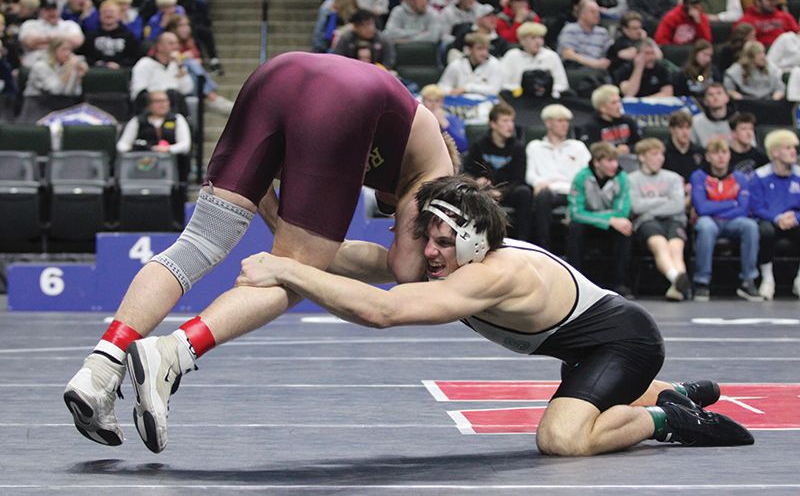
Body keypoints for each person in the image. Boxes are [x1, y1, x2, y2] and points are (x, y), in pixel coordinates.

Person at [63, 52, 458, 451]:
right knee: (295, 275)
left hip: (275, 75)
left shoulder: (383, 139)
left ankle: (99, 369)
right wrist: (297, 263)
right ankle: (171, 353)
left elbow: (273, 172)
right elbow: (407, 269)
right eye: (393, 210)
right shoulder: (436, 174)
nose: (393, 213)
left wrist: (287, 241)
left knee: (200, 241)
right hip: (343, 97)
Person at [233, 175, 755, 456]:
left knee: (561, 440)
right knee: (582, 394)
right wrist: (277, 220)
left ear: (471, 243)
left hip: (625, 344)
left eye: (441, 243)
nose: (429, 254)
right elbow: (360, 260)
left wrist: (287, 271)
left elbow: (384, 310)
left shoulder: (490, 274)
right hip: (586, 350)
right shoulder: (462, 258)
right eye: (426, 240)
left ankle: (667, 417)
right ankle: (677, 390)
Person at [690, 138, 762, 302]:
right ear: (708, 157)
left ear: (729, 155)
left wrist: (716, 207)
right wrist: (731, 203)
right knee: (706, 227)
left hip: (733, 222)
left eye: (724, 152)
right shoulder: (699, 176)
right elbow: (701, 208)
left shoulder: (739, 178)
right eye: (715, 153)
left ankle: (748, 281)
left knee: (750, 226)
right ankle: (702, 282)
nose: (720, 157)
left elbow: (743, 209)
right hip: (709, 221)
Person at [628, 138, 691, 301]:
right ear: (642, 157)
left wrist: (650, 208)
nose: (660, 158)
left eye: (661, 154)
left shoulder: (673, 178)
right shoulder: (632, 179)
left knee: (676, 249)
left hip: (674, 219)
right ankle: (677, 279)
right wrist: (664, 200)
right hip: (647, 222)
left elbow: (678, 205)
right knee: (660, 245)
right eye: (654, 154)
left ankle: (676, 284)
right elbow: (636, 206)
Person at [567, 141, 634, 297]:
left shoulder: (622, 177)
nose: (614, 165)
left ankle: (620, 283)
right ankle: (574, 282)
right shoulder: (581, 177)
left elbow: (622, 212)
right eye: (609, 161)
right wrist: (608, 220)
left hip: (608, 222)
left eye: (616, 160)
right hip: (587, 223)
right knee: (575, 228)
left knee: (625, 228)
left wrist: (611, 220)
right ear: (597, 162)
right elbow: (576, 213)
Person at [525, 104, 591, 251]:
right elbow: (530, 174)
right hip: (548, 191)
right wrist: (539, 182)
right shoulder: (535, 147)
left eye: (567, 121)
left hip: (574, 191)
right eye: (560, 121)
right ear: (548, 123)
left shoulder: (578, 146)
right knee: (543, 195)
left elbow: (589, 173)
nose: (565, 125)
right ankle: (544, 248)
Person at [463, 103, 532, 241]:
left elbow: (518, 179)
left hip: (508, 191)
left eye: (511, 120)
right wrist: (477, 181)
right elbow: (468, 171)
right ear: (493, 124)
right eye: (505, 121)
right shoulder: (479, 145)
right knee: (468, 192)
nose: (510, 125)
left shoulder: (517, 147)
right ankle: (473, 238)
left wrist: (501, 192)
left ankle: (523, 239)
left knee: (524, 192)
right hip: (483, 191)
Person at [750, 129, 800, 300]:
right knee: (765, 231)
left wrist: (795, 217)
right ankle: (767, 278)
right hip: (770, 220)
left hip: (794, 219)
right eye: (788, 148)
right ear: (774, 152)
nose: (794, 151)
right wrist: (777, 218)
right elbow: (756, 206)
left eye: (794, 147)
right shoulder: (760, 175)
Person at [500, 22, 568, 99]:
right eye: (533, 38)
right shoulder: (512, 55)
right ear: (522, 40)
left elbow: (562, 84)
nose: (538, 42)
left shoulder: (551, 56)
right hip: (518, 99)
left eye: (540, 37)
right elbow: (502, 83)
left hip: (545, 98)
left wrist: (546, 90)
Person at [116, 89, 191, 155]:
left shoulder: (177, 119)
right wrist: (134, 149)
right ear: (149, 105)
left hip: (172, 161)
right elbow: (122, 145)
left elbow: (185, 145)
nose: (162, 104)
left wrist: (168, 149)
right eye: (158, 101)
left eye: (165, 101)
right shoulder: (138, 121)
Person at [18, 0, 84, 68]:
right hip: (36, 63)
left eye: (54, 9)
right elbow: (29, 42)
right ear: (40, 11)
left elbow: (77, 41)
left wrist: (42, 41)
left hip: (64, 64)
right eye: (48, 10)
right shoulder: (30, 24)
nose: (52, 13)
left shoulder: (69, 24)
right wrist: (61, 44)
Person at [578, 84, 641, 157]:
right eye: (614, 103)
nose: (619, 106)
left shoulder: (628, 121)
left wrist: (629, 148)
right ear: (602, 108)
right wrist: (612, 151)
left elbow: (640, 143)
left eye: (619, 101)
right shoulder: (591, 126)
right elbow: (590, 150)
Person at [78, 0, 140, 69]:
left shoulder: (129, 36)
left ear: (119, 15)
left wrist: (120, 65)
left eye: (111, 12)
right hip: (96, 71)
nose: (108, 14)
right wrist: (95, 63)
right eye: (104, 12)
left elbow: (134, 58)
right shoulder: (91, 36)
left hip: (120, 73)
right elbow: (85, 56)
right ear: (99, 16)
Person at [437, 32, 503, 96]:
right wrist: (451, 91)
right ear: (469, 49)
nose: (484, 53)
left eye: (486, 49)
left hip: (485, 104)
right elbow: (442, 86)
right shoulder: (457, 64)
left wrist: (467, 88)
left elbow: (494, 90)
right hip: (459, 102)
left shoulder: (495, 64)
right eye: (480, 49)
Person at [557, 0, 613, 70]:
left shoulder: (602, 32)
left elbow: (611, 51)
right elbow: (567, 54)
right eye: (593, 12)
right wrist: (593, 63)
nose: (597, 15)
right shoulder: (570, 29)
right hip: (577, 69)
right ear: (582, 14)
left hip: (598, 70)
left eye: (598, 12)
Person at [734, 0, 799, 47]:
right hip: (761, 53)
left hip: (787, 51)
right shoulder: (746, 21)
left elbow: (797, 34)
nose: (773, 3)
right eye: (769, 0)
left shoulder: (785, 16)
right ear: (757, 1)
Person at [420, 83, 468, 153]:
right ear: (423, 101)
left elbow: (463, 146)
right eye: (429, 101)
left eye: (437, 101)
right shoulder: (418, 120)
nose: (433, 105)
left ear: (442, 102)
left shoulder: (452, 119)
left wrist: (444, 124)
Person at [663, 110, 705, 190]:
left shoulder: (699, 152)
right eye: (681, 128)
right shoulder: (663, 152)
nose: (685, 132)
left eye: (688, 128)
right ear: (671, 130)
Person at [691, 82, 733, 148]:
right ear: (705, 101)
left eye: (719, 93)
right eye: (710, 94)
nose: (715, 97)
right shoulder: (695, 122)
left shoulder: (737, 120)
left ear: (727, 98)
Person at [727, 112, 768, 176]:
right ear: (733, 133)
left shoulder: (761, 157)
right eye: (744, 129)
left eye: (751, 129)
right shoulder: (726, 156)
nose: (749, 133)